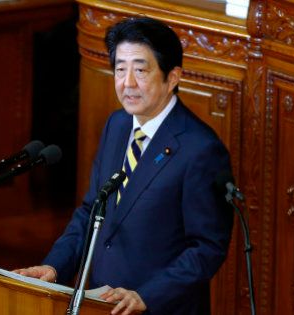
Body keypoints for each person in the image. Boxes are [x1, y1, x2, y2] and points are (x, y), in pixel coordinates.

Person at [15, 17, 233, 315]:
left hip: (157, 308)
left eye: (141, 70)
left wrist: (147, 295)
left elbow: (207, 247)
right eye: (120, 69)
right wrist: (55, 267)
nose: (127, 83)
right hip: (101, 303)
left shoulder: (200, 149)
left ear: (173, 77)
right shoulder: (117, 125)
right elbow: (92, 211)